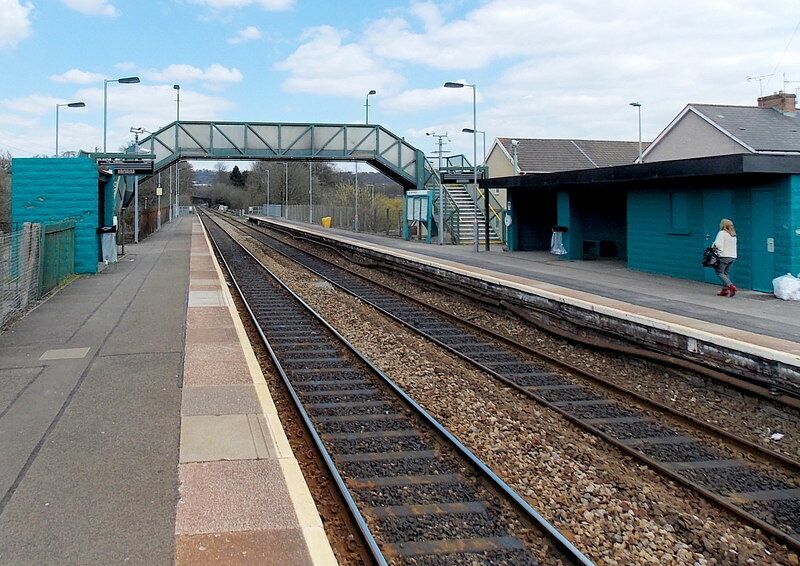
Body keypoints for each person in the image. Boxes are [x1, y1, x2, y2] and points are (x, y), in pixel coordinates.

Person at [712, 218, 737, 297]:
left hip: (724, 256)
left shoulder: (722, 233)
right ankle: (725, 290)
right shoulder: (733, 235)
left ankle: (730, 286)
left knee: (719, 272)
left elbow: (718, 245)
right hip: (732, 257)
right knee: (725, 273)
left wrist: (714, 249)